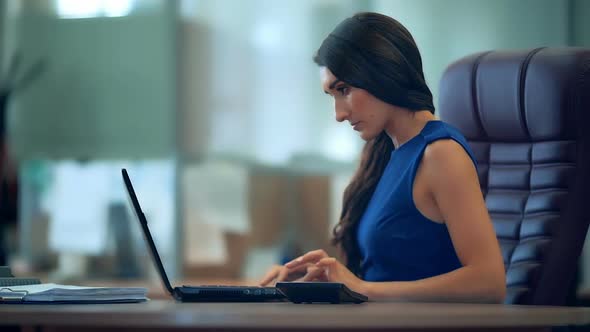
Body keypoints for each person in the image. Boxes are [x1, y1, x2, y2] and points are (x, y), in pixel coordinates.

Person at [259, 12, 506, 303]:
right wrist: (312, 281)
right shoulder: (385, 154)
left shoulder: (440, 153)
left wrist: (364, 290)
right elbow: (385, 276)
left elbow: (490, 283)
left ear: (381, 72)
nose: (338, 114)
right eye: (332, 95)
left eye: (344, 90)